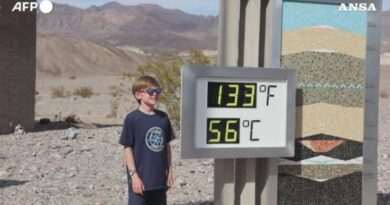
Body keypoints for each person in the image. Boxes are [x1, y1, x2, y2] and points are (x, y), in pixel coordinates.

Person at [119, 75, 175, 205]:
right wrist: (134, 176)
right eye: (150, 91)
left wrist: (170, 172)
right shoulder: (132, 119)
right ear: (138, 95)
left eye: (157, 91)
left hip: (159, 181)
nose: (155, 94)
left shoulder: (163, 118)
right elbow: (127, 148)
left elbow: (167, 147)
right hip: (140, 180)